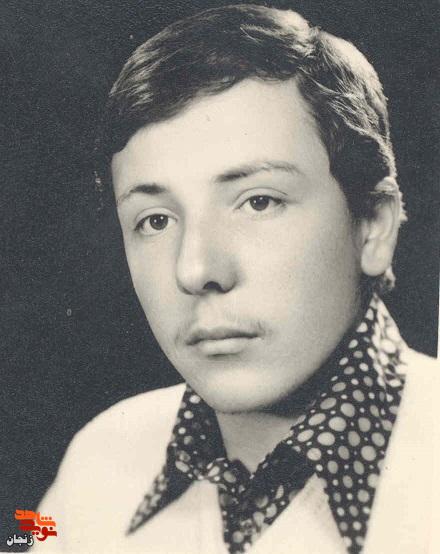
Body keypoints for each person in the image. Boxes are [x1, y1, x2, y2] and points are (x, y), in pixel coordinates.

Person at [33, 4, 438, 554]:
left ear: (373, 225)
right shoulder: (98, 460)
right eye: (156, 220)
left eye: (258, 201)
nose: (195, 270)